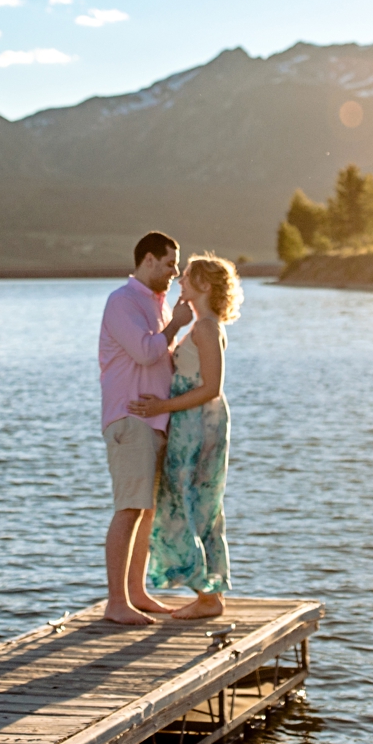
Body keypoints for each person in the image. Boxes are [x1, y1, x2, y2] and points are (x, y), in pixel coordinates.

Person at [128, 254, 238, 620]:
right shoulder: (200, 325)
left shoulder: (206, 328)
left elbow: (212, 387)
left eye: (188, 276)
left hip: (199, 424)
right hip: (192, 421)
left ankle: (208, 597)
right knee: (191, 502)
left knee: (188, 501)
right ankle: (208, 593)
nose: (180, 280)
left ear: (205, 285)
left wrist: (163, 406)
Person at [97, 231, 194, 625]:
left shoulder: (159, 305)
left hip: (154, 421)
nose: (174, 271)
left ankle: (136, 594)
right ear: (149, 260)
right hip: (130, 419)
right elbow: (144, 351)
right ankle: (116, 603)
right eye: (170, 263)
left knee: (146, 511)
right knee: (129, 509)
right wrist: (176, 327)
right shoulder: (122, 301)